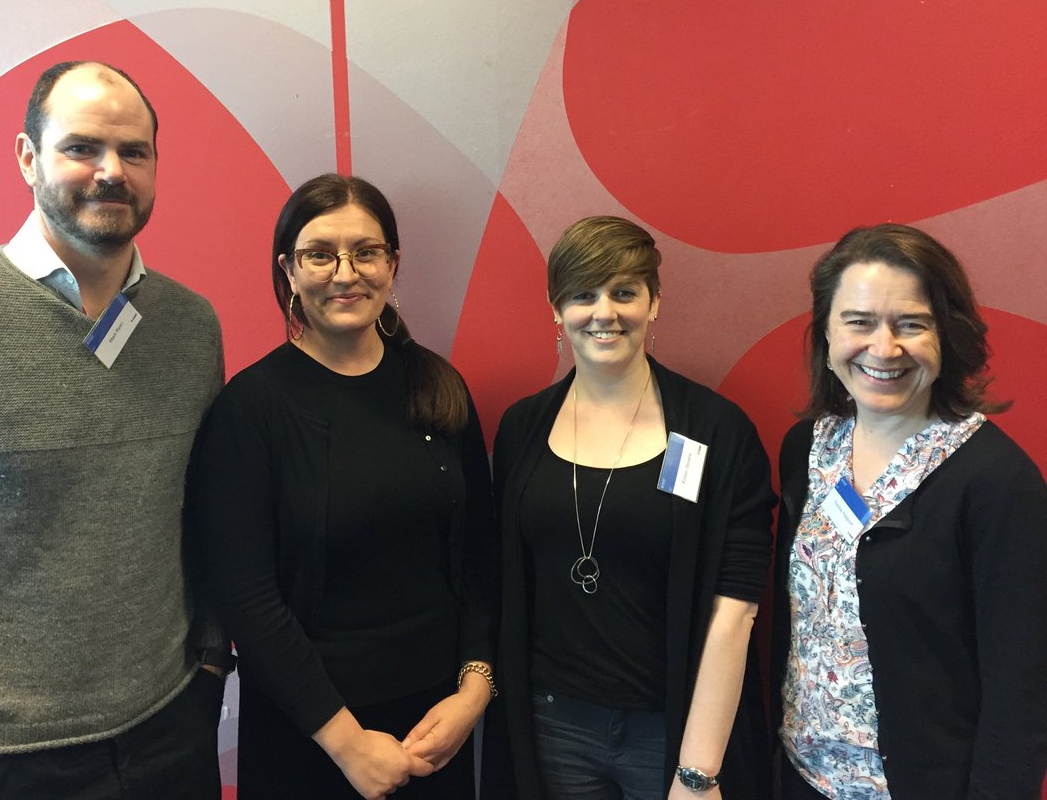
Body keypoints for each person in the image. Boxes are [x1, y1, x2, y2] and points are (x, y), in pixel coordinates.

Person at [0, 61, 230, 800]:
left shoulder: (190, 326)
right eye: (82, 147)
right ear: (29, 158)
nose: (111, 172)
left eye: (134, 152)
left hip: (170, 732)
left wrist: (210, 659)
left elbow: (206, 510)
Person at [187, 173, 497, 800]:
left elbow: (480, 558)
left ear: (393, 263)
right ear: (289, 270)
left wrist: (474, 689)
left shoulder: (438, 387)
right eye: (320, 254)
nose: (345, 272)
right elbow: (247, 595)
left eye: (367, 251)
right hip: (310, 734)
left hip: (438, 731)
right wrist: (346, 741)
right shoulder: (252, 408)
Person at [484, 215, 774, 800]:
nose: (604, 313)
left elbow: (735, 610)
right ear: (556, 306)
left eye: (624, 292)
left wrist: (698, 772)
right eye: (583, 294)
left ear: (655, 300)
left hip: (669, 730)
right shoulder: (522, 428)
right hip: (552, 724)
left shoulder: (714, 431)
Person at [773, 223, 1047, 799]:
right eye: (859, 322)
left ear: (948, 335)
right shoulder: (808, 449)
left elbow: (1021, 691)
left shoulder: (997, 483)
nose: (883, 348)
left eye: (911, 324)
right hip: (802, 777)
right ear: (826, 331)